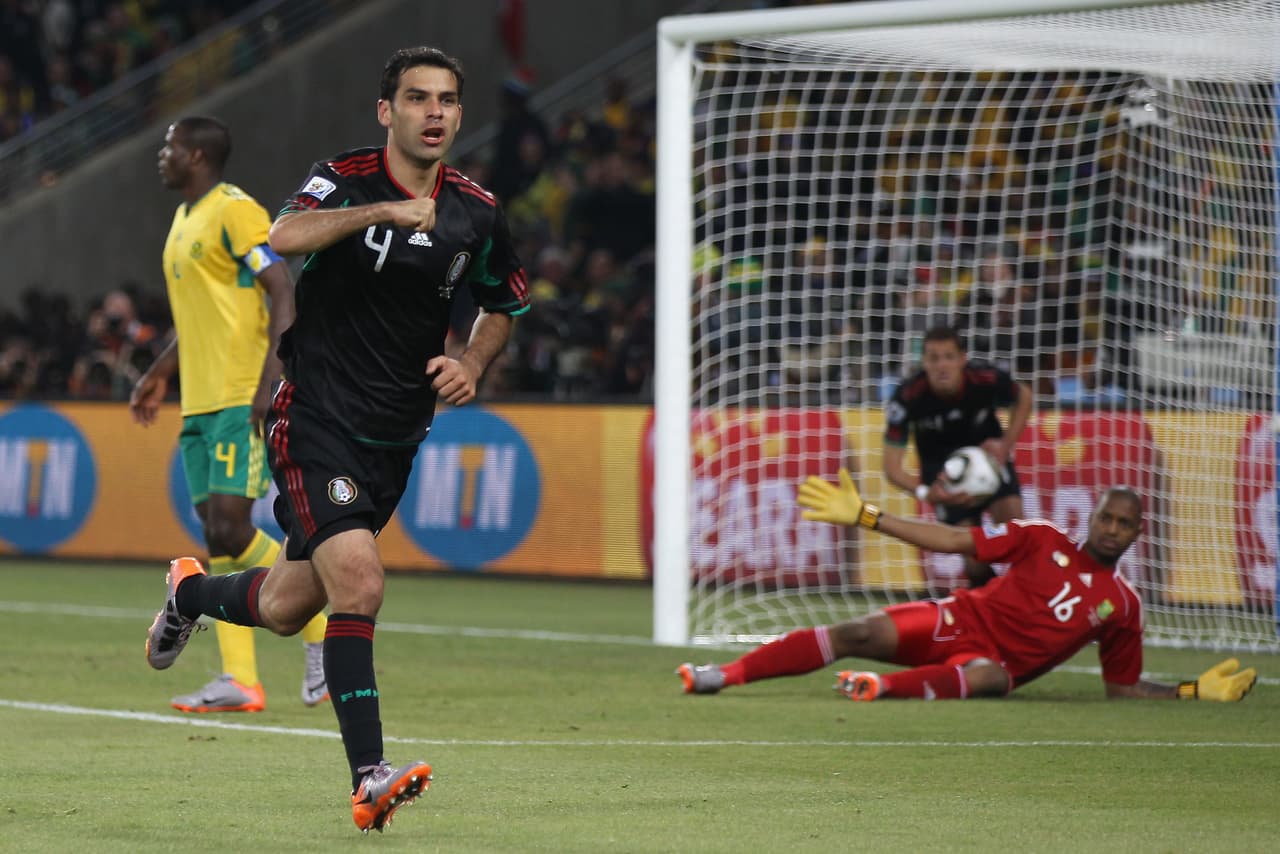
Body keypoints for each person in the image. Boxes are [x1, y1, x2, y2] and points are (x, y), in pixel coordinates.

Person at [143, 46, 530, 832]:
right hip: (314, 415)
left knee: (287, 607)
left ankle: (189, 593)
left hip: (395, 437)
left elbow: (505, 303)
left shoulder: (476, 211)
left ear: (460, 114)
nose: (433, 112)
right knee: (360, 583)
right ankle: (369, 779)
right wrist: (382, 213)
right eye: (417, 98)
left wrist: (471, 362)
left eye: (447, 100)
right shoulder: (345, 177)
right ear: (387, 111)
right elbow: (285, 235)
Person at [678, 472, 1258, 704]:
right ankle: (722, 675)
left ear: (1137, 533)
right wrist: (867, 516)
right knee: (856, 631)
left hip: (992, 664)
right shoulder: (1038, 537)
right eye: (1106, 517)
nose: (1111, 529)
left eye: (1124, 523)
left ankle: (878, 688)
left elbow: (1122, 688)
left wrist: (1189, 692)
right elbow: (953, 539)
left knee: (990, 679)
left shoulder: (1124, 607)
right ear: (1093, 517)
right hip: (956, 620)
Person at [131, 115, 329, 714]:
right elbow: (199, 320)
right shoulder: (182, 221)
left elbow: (281, 288)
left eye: (169, 146)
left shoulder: (235, 210)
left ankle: (321, 624)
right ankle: (239, 678)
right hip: (198, 401)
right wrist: (159, 372)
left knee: (231, 526)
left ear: (196, 155)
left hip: (240, 392)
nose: (162, 155)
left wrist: (274, 377)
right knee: (220, 536)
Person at [883, 324, 1032, 589]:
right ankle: (990, 601)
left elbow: (1024, 395)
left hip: (989, 462)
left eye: (949, 357)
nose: (942, 366)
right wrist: (926, 492)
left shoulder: (983, 378)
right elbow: (891, 468)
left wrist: (1005, 443)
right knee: (974, 563)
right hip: (944, 478)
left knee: (1017, 532)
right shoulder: (907, 398)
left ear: (963, 359)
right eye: (934, 358)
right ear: (924, 362)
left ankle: (1032, 598)